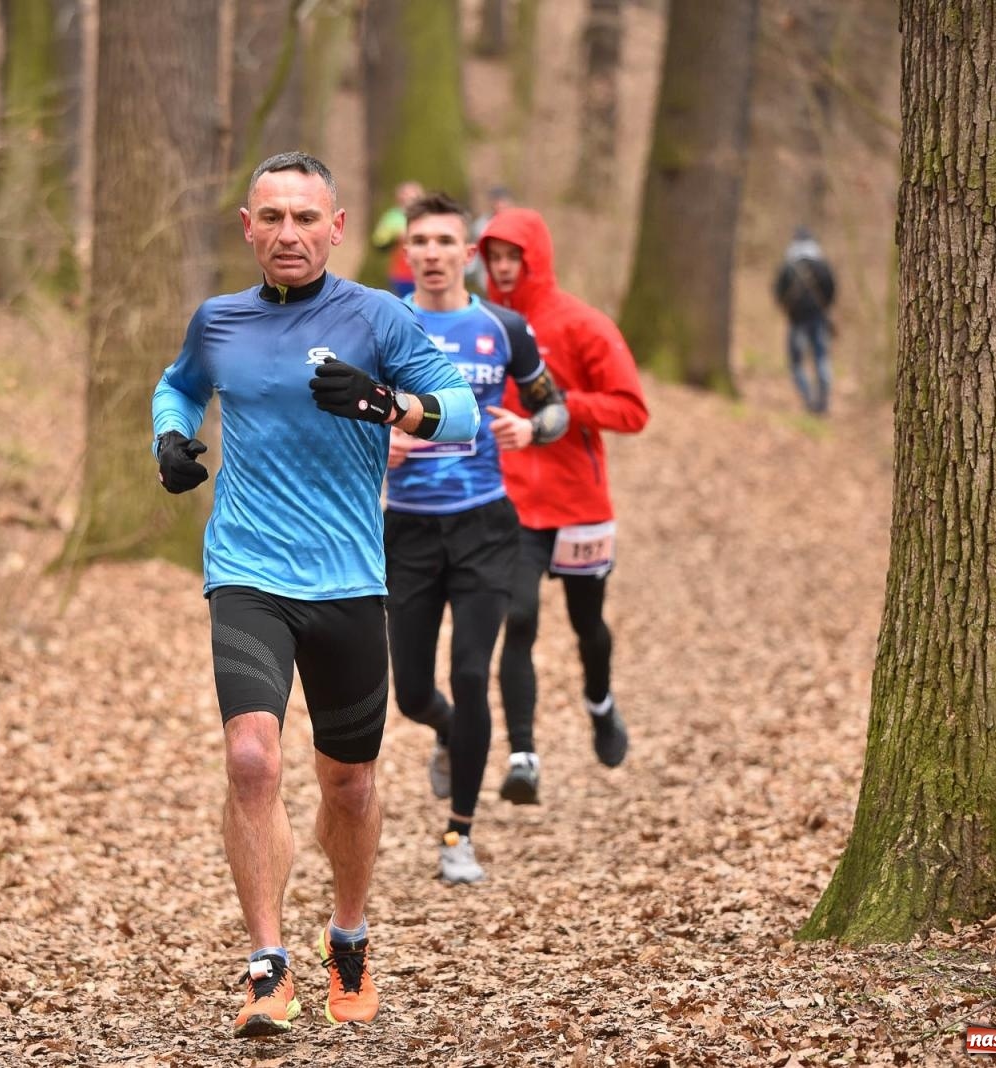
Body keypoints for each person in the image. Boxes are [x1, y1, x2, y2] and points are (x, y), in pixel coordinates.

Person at [152, 151, 479, 1038]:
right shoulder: (219, 321)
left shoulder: (380, 316)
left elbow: (464, 415)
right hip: (248, 571)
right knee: (253, 762)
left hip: (347, 579)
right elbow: (177, 385)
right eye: (272, 217)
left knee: (350, 781)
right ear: (247, 228)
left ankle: (350, 936)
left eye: (307, 218)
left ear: (337, 228)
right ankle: (267, 967)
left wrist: (386, 405)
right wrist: (172, 439)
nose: (288, 233)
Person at [385, 193, 568, 884]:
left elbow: (552, 406)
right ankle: (444, 731)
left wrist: (531, 429)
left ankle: (458, 834)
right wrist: (381, 441)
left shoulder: (505, 326)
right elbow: (347, 411)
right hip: (406, 527)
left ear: (468, 254)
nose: (432, 254)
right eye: (420, 242)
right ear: (408, 253)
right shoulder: (384, 324)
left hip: (486, 527)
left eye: (445, 242)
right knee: (411, 693)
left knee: (470, 673)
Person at [477, 207, 649, 806]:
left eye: (511, 258)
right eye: (493, 258)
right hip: (512, 505)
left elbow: (632, 410)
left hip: (578, 504)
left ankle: (600, 704)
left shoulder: (582, 325)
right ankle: (523, 756)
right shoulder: (482, 325)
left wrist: (563, 407)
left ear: (535, 258)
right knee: (517, 618)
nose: (501, 269)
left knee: (588, 627)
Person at [773, 226, 837, 415]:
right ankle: (823, 401)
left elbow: (778, 291)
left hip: (796, 321)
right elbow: (831, 290)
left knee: (797, 363)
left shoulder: (788, 266)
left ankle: (809, 398)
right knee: (821, 358)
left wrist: (787, 308)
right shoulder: (822, 265)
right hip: (818, 319)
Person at [369, 180, 425, 296]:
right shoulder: (392, 217)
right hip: (401, 274)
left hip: (425, 271)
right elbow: (378, 243)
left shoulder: (427, 216)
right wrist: (396, 237)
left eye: (412, 196)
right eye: (405, 195)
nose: (408, 200)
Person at [464, 184, 515, 292]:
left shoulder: (517, 224)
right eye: (497, 201)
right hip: (486, 279)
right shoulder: (481, 225)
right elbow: (474, 251)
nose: (500, 205)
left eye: (503, 201)